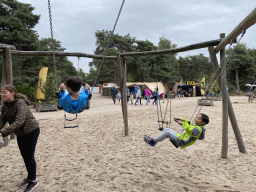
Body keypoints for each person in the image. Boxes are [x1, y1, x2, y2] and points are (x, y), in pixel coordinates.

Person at [0, 85, 40, 192]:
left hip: (31, 131)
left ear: (12, 93)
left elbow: (19, 122)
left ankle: (33, 181)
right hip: (21, 133)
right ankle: (30, 177)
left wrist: (2, 133)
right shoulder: (5, 106)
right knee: (24, 155)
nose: (2, 94)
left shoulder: (20, 104)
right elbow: (2, 121)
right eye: (2, 92)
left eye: (5, 92)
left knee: (29, 155)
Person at [144, 113, 209, 148]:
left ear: (203, 123)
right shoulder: (196, 126)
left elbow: (190, 130)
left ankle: (153, 141)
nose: (196, 118)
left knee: (167, 132)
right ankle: (162, 133)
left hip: (182, 141)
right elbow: (189, 124)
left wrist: (183, 123)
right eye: (197, 117)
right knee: (167, 129)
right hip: (181, 137)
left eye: (199, 119)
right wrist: (184, 121)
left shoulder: (198, 130)